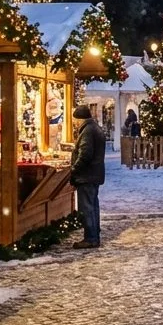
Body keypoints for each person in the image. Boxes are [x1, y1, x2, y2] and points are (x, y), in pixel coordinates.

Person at [70, 105, 107, 249]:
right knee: (92, 205)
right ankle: (94, 235)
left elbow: (85, 154)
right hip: (94, 174)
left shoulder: (87, 131)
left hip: (87, 175)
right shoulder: (94, 128)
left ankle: (90, 238)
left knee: (87, 207)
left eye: (75, 120)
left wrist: (74, 169)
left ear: (80, 119)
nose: (74, 123)